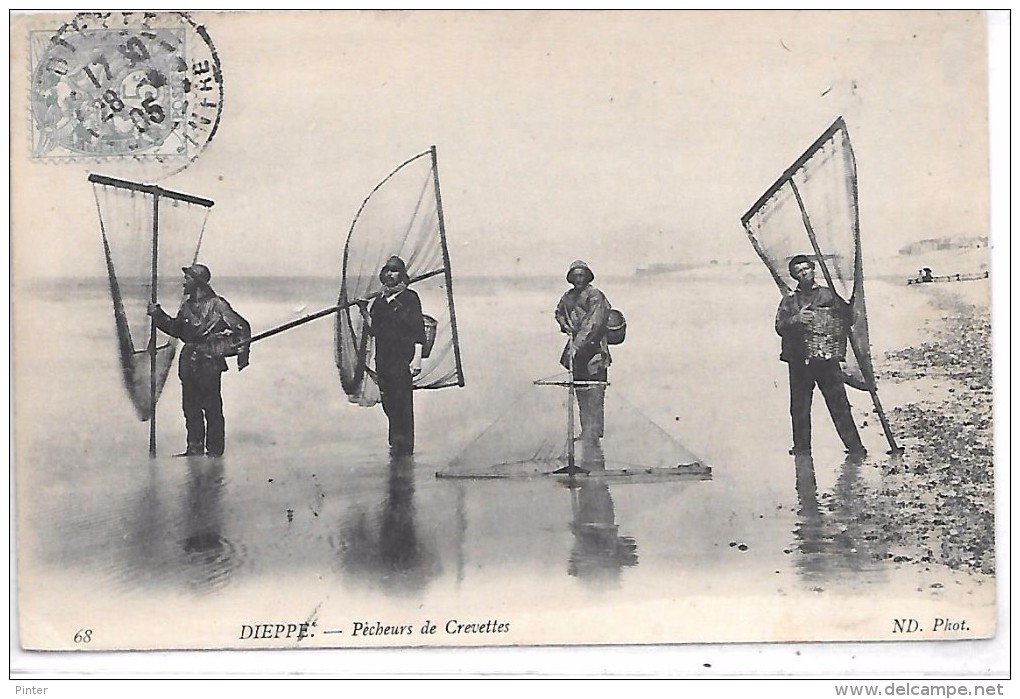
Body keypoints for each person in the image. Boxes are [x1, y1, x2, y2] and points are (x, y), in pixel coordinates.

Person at [147, 263, 251, 457]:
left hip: (209, 361)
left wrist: (232, 349)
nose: (184, 282)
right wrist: (158, 315)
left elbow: (242, 327)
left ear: (197, 282)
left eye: (187, 279)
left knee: (212, 407)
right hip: (189, 362)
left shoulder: (218, 304)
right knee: (190, 407)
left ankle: (215, 452)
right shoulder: (186, 307)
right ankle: (194, 448)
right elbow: (177, 330)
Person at [775, 254, 866, 456]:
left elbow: (848, 319)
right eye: (798, 271)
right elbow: (779, 326)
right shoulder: (789, 300)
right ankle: (802, 451)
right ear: (794, 276)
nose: (803, 273)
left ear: (813, 269)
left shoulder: (829, 294)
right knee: (799, 407)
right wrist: (797, 319)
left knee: (839, 404)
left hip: (827, 359)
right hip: (799, 360)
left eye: (806, 268)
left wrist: (847, 308)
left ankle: (856, 448)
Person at [359, 256, 426, 456]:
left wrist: (417, 359)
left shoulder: (410, 298)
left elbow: (418, 330)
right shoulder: (379, 301)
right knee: (388, 401)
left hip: (402, 358)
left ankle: (405, 448)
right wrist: (363, 310)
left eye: (394, 271)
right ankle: (395, 444)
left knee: (402, 401)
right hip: (383, 358)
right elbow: (373, 330)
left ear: (402, 275)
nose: (390, 274)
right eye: (387, 271)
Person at [555, 260, 611, 441]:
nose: (578, 279)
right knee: (580, 394)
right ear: (570, 278)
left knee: (595, 393)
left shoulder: (595, 295)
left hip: (594, 352)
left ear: (587, 276)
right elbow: (559, 312)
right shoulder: (568, 296)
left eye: (582, 275)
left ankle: (594, 436)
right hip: (577, 355)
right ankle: (585, 432)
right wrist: (564, 325)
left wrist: (576, 346)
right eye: (575, 275)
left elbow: (593, 324)